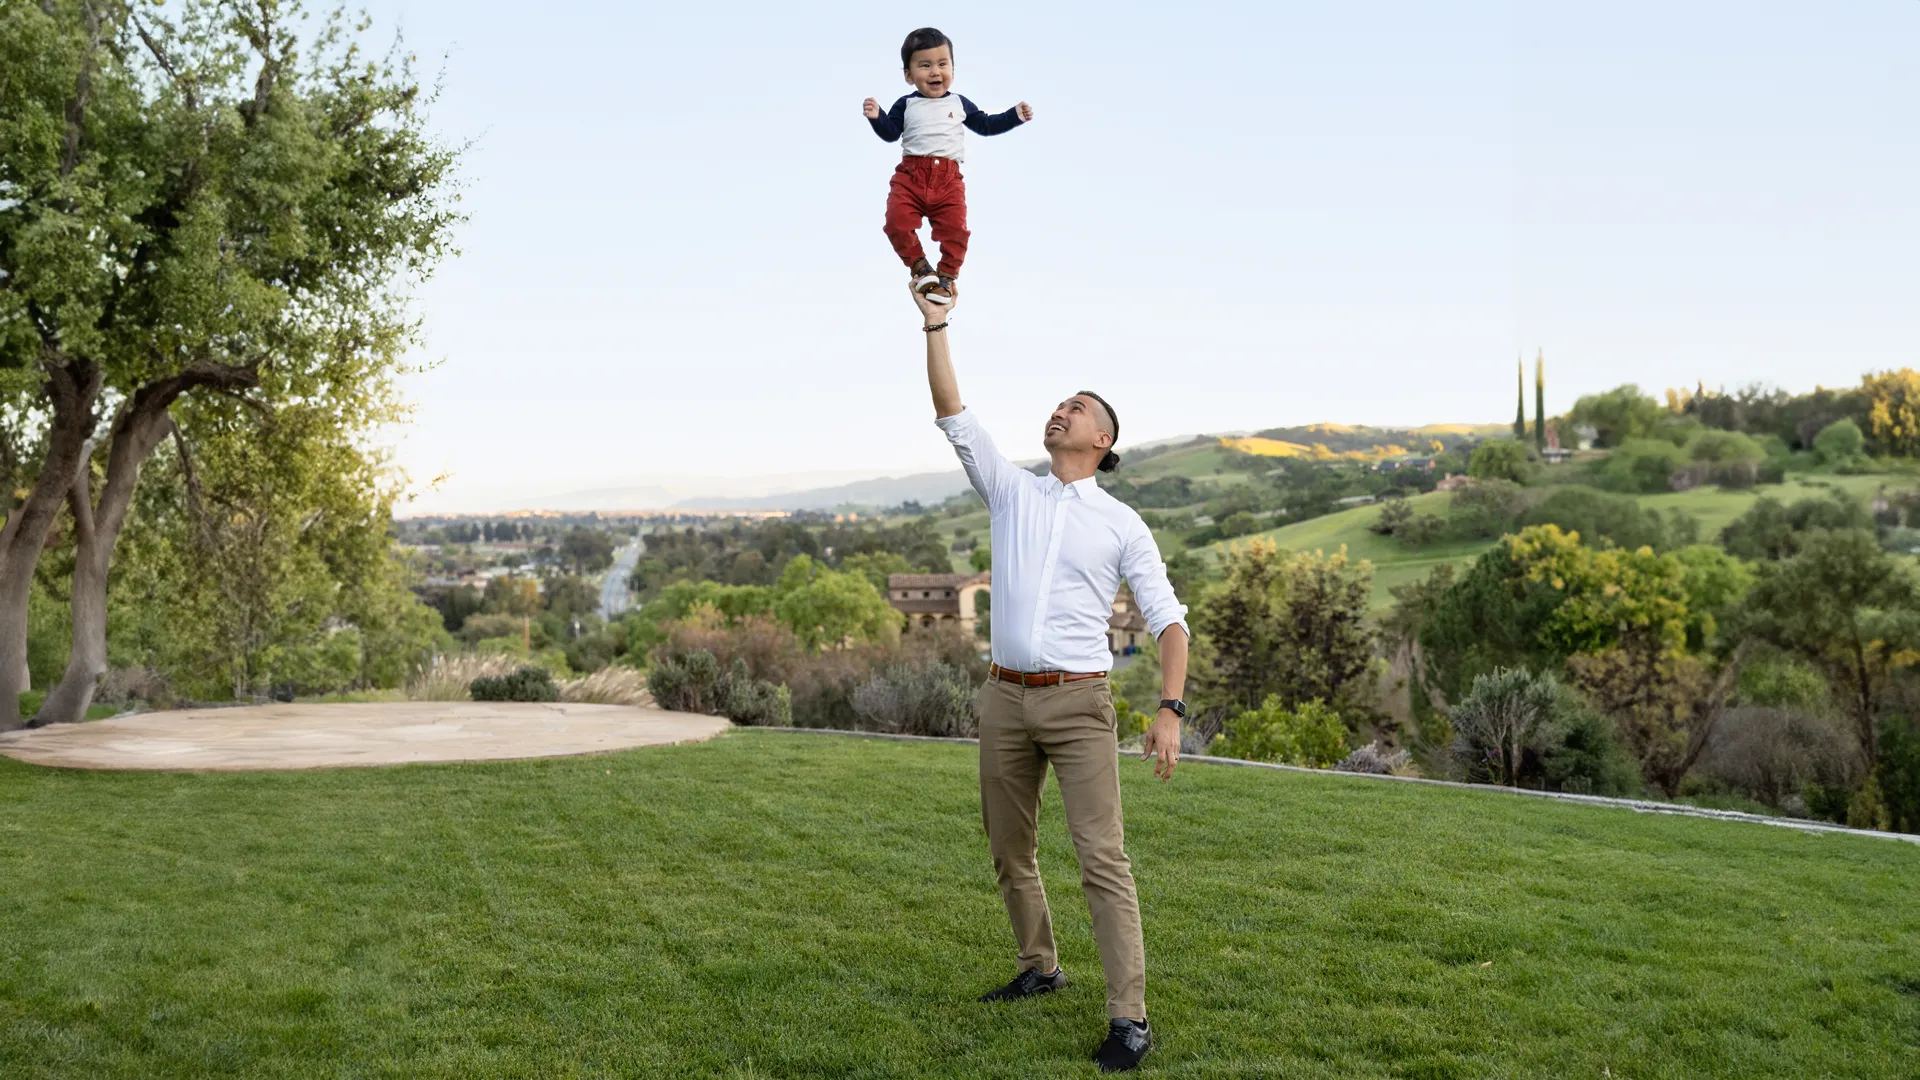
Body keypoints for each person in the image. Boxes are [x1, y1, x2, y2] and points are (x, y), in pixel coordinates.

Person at [911, 282, 1190, 1073]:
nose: (1059, 412)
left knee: (1102, 859)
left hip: (1078, 704)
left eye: (1076, 407)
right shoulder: (1011, 491)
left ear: (1102, 439)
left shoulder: (1121, 523)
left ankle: (1129, 1018)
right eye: (1058, 404)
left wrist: (1169, 709)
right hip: (1003, 698)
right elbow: (953, 414)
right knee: (1010, 849)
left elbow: (1170, 622)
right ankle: (1039, 966)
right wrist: (936, 326)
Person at [864, 27, 1033, 306]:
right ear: (908, 75)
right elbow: (891, 133)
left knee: (956, 232)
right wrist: (877, 117)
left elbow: (986, 125)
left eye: (943, 64)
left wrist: (1014, 116)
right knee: (896, 221)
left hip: (948, 181)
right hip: (910, 176)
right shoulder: (906, 104)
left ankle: (945, 278)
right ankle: (920, 266)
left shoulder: (958, 102)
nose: (935, 72)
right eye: (925, 65)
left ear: (953, 68)